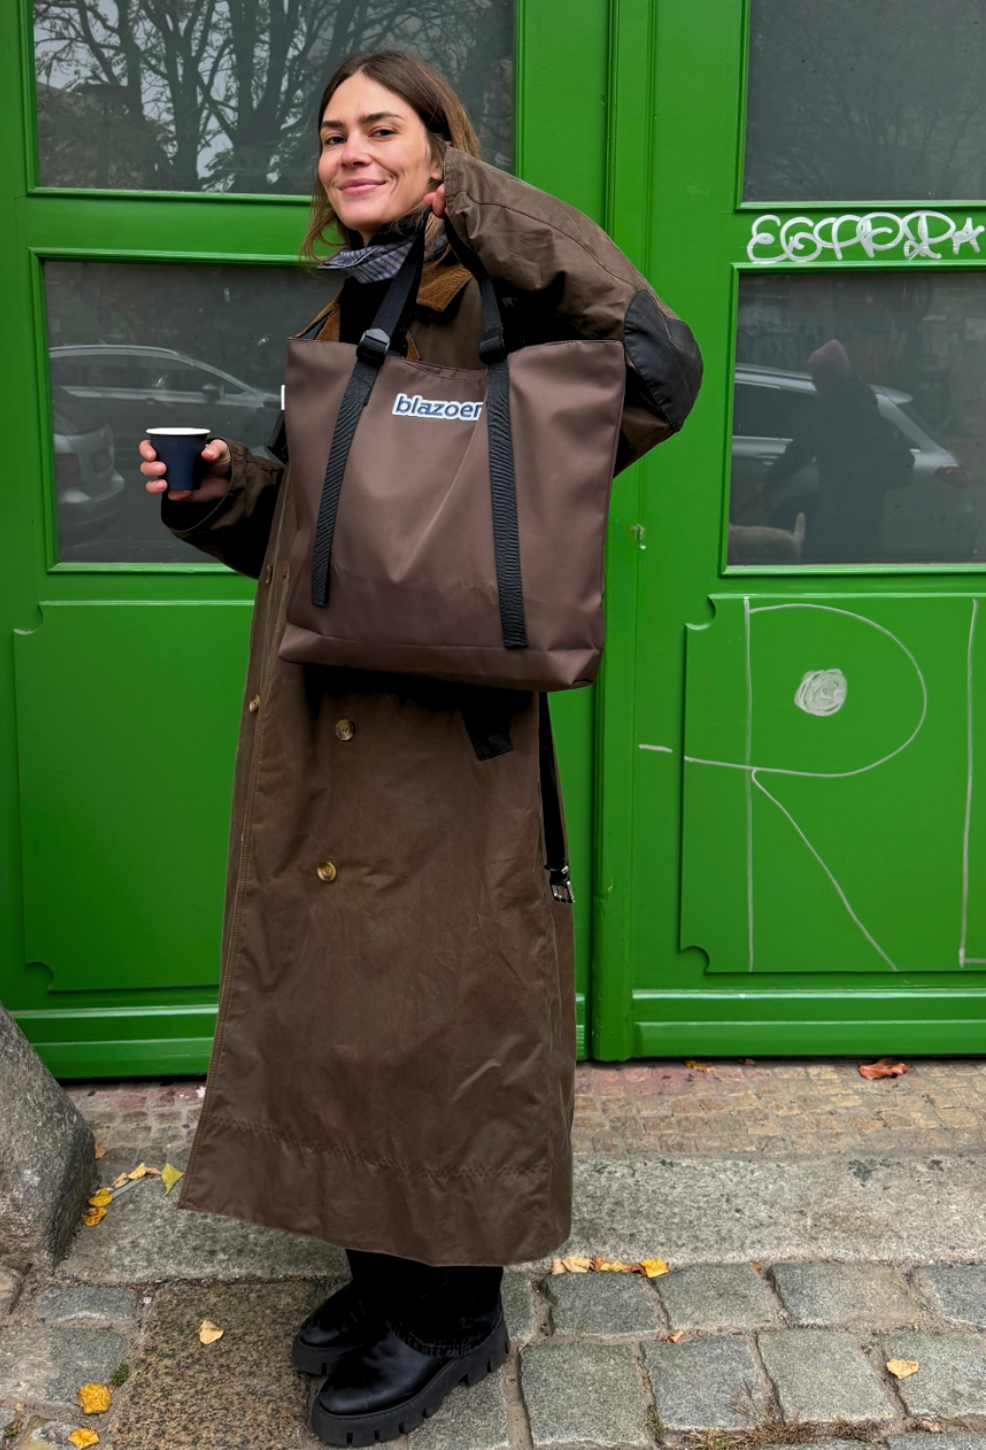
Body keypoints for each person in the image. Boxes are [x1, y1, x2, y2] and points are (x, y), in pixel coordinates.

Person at [139, 50, 701, 1447]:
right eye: (331, 135)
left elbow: (663, 366)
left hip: (447, 744)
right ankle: (382, 1278)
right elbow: (339, 545)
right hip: (329, 733)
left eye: (380, 128)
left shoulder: (508, 306)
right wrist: (226, 494)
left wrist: (491, 208)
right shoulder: (356, 306)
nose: (348, 152)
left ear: (442, 148)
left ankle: (452, 1314)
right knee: (349, 1012)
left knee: (440, 1011)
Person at [761, 338, 914, 562]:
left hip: (849, 501)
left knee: (846, 555)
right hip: (852, 499)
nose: (813, 380)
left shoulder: (844, 409)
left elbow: (803, 448)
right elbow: (804, 447)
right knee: (856, 554)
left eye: (817, 374)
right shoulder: (850, 403)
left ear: (830, 374)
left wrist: (773, 481)